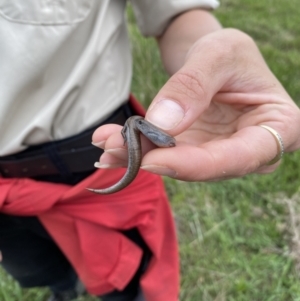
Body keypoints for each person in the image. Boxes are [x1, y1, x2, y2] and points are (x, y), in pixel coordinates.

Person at [1, 2, 300, 301]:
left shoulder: (136, 134)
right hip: (8, 199)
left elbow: (178, 13)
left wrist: (213, 60)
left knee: (124, 272)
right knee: (35, 266)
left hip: (93, 160)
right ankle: (64, 289)